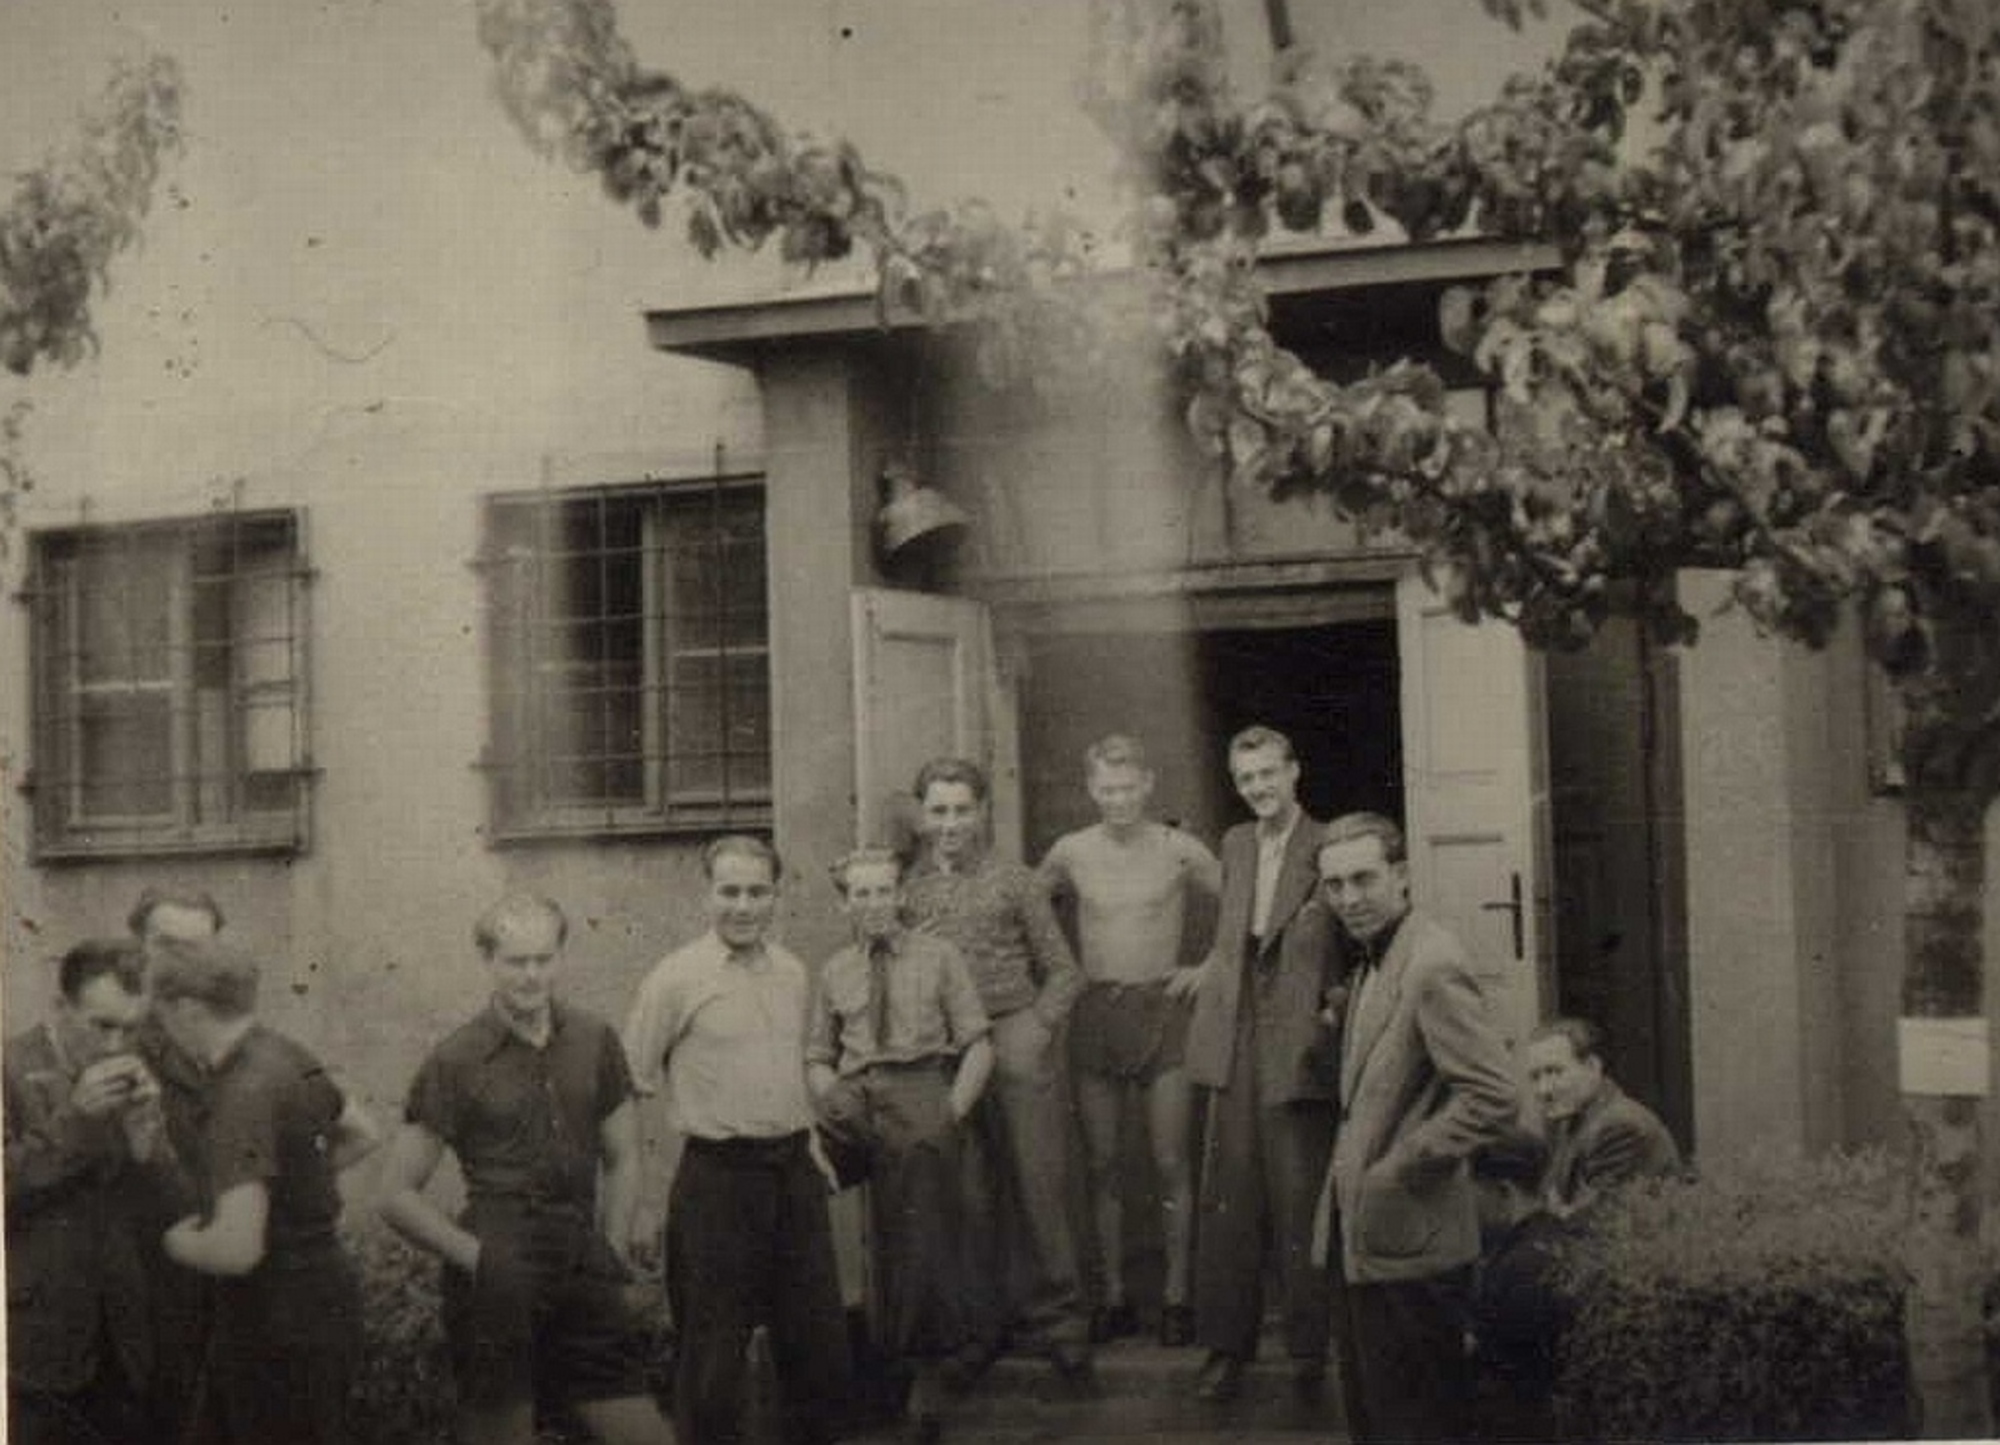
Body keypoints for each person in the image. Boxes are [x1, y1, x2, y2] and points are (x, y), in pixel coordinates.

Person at [378, 894, 673, 1445]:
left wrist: (609, 1251)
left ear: (561, 956)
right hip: (498, 1264)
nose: (532, 975)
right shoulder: (456, 1059)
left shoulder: (594, 1038)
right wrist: (483, 1262)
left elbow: (624, 1155)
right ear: (488, 961)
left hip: (581, 1260)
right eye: (516, 962)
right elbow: (395, 1195)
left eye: (544, 959)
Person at [622, 837, 853, 1445]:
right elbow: (632, 1087)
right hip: (717, 1178)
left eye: (757, 892)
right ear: (707, 895)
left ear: (777, 896)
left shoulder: (792, 972)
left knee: (816, 1343)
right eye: (730, 891)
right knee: (712, 1354)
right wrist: (645, 1198)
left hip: (793, 1173)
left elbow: (786, 1068)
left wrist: (812, 1144)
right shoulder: (675, 978)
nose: (744, 906)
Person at [1317, 811, 1521, 1444]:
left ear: (1401, 877)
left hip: (1412, 1244)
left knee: (1419, 1426)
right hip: (1367, 1239)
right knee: (1375, 1422)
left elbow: (1494, 1095)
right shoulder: (1372, 962)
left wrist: (1400, 1168)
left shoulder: (1430, 962)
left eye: (1364, 879)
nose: (1349, 898)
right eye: (1334, 885)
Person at [900, 756, 1092, 1388]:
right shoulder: (909, 890)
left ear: (982, 811)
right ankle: (981, 1329)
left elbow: (1063, 970)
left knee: (1036, 1183)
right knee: (968, 1194)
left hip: (1011, 1036)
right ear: (921, 815)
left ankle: (1061, 1324)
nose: (950, 823)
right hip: (948, 1051)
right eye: (938, 811)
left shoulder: (1015, 881)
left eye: (962, 810)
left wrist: (1036, 1028)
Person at [148, 934, 383, 1445]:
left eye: (161, 1015)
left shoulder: (239, 1094)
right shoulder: (288, 1054)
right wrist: (292, 1186)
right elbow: (364, 1133)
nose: (162, 1030)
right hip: (323, 1297)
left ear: (187, 1009)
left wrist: (177, 1242)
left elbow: (237, 1250)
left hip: (272, 1318)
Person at [808, 846, 995, 1445]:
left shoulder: (939, 957)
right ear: (845, 904)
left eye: (884, 891)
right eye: (860, 894)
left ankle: (924, 1376)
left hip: (921, 1089)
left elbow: (978, 1044)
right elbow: (817, 1056)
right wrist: (833, 1101)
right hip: (855, 1095)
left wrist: (949, 1113)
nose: (874, 904)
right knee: (801, 1187)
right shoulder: (835, 969)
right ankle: (831, 1363)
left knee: (918, 1235)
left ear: (902, 896)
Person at [1039, 733, 1220, 1348]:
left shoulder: (1179, 849)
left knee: (1170, 1161)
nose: (1117, 800)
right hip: (1096, 1010)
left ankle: (1177, 1297)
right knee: (1103, 1164)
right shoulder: (1070, 851)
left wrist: (1209, 967)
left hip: (1162, 1010)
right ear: (1091, 789)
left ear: (1147, 784)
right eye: (1106, 790)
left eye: (1127, 788)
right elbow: (1027, 913)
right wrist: (1053, 982)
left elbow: (1246, 906)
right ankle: (1113, 1296)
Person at [1181, 725, 1340, 1403]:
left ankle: (1309, 1348)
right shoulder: (1236, 843)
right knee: (1230, 1193)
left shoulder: (1329, 844)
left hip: (1298, 1034)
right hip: (1236, 1029)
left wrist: (1333, 1013)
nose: (1258, 788)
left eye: (1269, 773)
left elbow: (1349, 945)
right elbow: (1232, 940)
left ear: (1294, 770)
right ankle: (1226, 1346)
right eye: (1246, 778)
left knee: (1299, 1192)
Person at [5, 939, 193, 1445]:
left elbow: (176, 1213)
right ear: (59, 1007)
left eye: (130, 1028)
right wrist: (76, 1120)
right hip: (31, 1349)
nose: (116, 1046)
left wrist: (148, 1145)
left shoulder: (140, 1072)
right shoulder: (8, 1068)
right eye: (102, 1026)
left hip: (123, 1341)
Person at [126, 887, 229, 1444]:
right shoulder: (114, 1039)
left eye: (197, 947)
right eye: (166, 944)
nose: (181, 962)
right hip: (139, 1278)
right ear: (138, 948)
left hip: (222, 1278)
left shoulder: (226, 1038)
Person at [1467, 1128, 1577, 1444]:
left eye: (1472, 1191)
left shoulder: (1517, 1269)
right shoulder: (1564, 1240)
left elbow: (1508, 1382)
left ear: (1503, 1191)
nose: (1468, 1207)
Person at [1525, 1017, 1682, 1216]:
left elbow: (1592, 1221)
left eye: (1555, 1072)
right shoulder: (1571, 1119)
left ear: (1592, 1066)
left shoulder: (1619, 1126)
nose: (1543, 1089)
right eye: (1535, 1077)